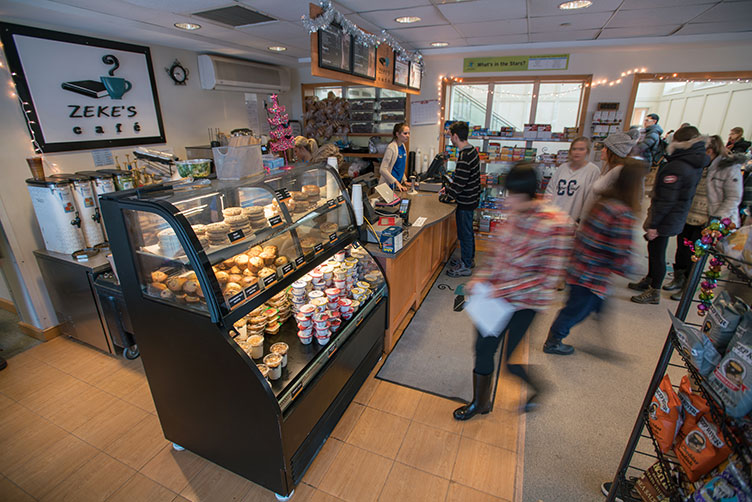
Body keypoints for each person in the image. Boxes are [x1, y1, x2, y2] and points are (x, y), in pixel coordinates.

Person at [453, 163, 572, 420]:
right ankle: (480, 403)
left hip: (526, 303)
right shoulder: (515, 216)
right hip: (496, 298)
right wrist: (481, 278)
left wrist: (503, 289)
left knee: (510, 361)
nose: (509, 201)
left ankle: (539, 388)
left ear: (528, 194)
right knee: (484, 348)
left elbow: (546, 278)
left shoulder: (554, 224)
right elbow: (498, 256)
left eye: (514, 195)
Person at [543, 160, 645, 355]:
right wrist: (633, 269)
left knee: (595, 304)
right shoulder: (622, 213)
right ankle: (553, 340)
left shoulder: (604, 203)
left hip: (580, 266)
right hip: (591, 274)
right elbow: (621, 251)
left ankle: (599, 339)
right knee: (576, 310)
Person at [630, 126, 709, 304]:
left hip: (665, 218)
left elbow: (666, 199)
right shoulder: (693, 162)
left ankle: (654, 290)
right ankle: (651, 279)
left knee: (657, 252)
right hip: (675, 215)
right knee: (654, 249)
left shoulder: (677, 166)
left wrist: (654, 225)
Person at [444, 121, 481, 278]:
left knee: (464, 233)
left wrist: (447, 196)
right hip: (471, 198)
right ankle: (469, 259)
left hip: (465, 201)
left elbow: (459, 183)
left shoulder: (465, 155)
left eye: (451, 135)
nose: (450, 138)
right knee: (468, 231)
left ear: (456, 136)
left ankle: (465, 266)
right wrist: (448, 189)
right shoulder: (472, 150)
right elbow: (461, 179)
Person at [544, 137, 601, 224]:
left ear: (587, 152)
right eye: (574, 149)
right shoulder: (562, 167)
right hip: (554, 218)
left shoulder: (593, 171)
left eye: (581, 149)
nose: (577, 152)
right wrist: (547, 211)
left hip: (574, 221)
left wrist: (581, 220)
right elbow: (550, 191)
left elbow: (591, 200)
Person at [582, 131, 637, 218]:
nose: (602, 150)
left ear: (613, 152)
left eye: (606, 148)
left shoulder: (617, 172)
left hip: (600, 219)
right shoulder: (611, 170)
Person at [377, 123, 410, 191]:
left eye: (408, 133)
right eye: (405, 133)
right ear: (397, 134)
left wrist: (404, 180)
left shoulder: (403, 147)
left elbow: (400, 167)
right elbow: (382, 169)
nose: (408, 136)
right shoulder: (391, 148)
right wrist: (396, 182)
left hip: (397, 186)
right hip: (389, 186)